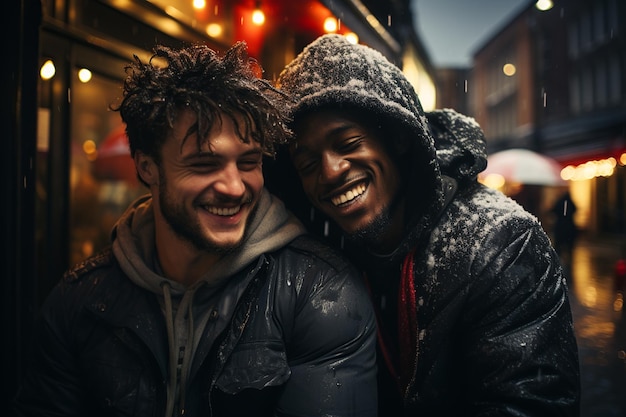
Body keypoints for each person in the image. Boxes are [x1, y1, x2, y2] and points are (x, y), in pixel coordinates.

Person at [14, 42, 377, 417]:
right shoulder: (79, 301)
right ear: (147, 168)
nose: (234, 187)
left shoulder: (319, 291)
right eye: (205, 164)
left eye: (248, 162)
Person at [271, 34, 580, 416]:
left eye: (348, 142)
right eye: (307, 164)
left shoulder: (503, 246)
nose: (330, 172)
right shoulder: (316, 247)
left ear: (399, 139)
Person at [550, 191, 579, 262]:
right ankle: (568, 258)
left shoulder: (560, 202)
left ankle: (557, 260)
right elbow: (575, 209)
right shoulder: (570, 202)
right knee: (569, 245)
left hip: (561, 226)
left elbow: (554, 210)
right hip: (569, 226)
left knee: (559, 245)